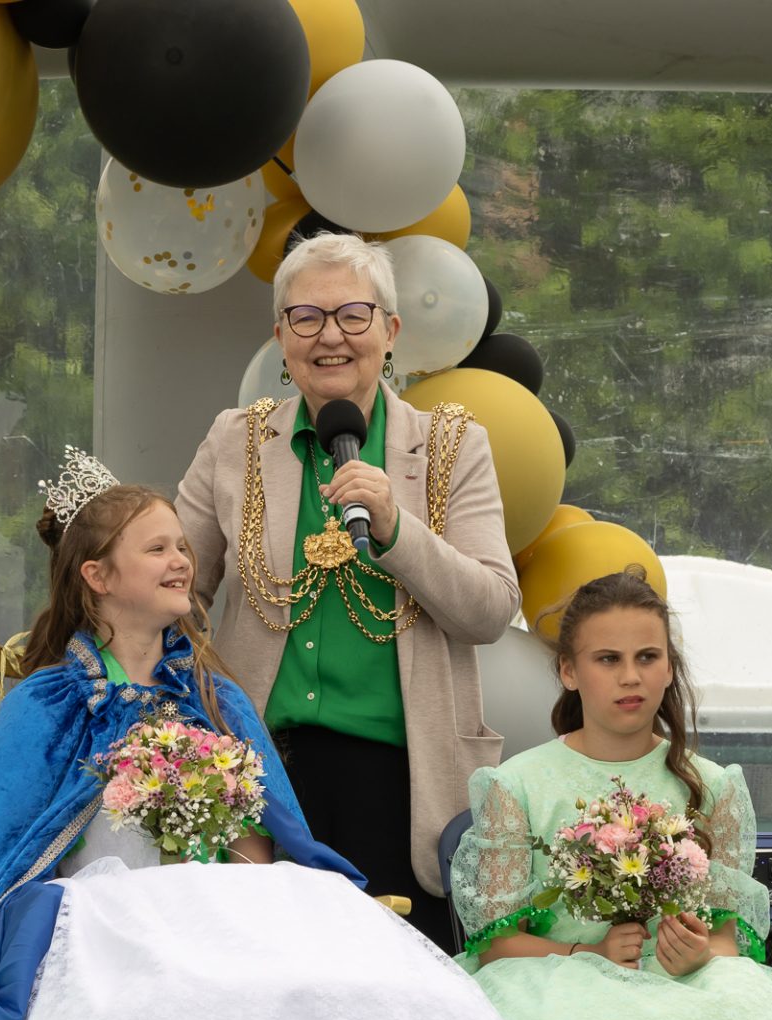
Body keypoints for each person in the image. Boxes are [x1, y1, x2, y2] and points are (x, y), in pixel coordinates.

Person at [0, 447, 506, 1020]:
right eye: (157, 548)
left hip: (223, 910)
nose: (182, 560)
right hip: (105, 919)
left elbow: (269, 835)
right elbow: (0, 863)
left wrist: (227, 872)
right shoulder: (46, 703)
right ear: (97, 575)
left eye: (183, 546)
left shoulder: (216, 697)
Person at [174, 230, 519, 947]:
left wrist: (395, 528)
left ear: (390, 332)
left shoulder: (453, 447)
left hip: (401, 780)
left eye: (353, 316)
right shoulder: (234, 441)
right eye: (306, 317)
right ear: (281, 337)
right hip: (261, 775)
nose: (330, 336)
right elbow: (177, 590)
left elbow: (489, 608)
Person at [450, 569, 772, 1020]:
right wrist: (589, 951)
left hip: (687, 989)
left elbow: (726, 937)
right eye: (608, 659)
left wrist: (700, 953)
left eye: (648, 656)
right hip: (555, 985)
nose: (631, 676)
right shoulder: (514, 785)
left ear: (670, 667)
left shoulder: (715, 786)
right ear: (569, 671)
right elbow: (500, 946)